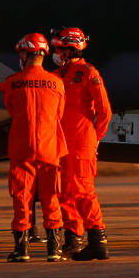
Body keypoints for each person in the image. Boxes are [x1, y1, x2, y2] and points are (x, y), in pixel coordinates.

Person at [0, 33, 67, 262]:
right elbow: (60, 113)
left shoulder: (12, 83)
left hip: (22, 148)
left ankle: (22, 250)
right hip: (50, 149)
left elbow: (11, 110)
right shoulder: (57, 82)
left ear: (26, 53)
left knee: (21, 198)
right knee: (51, 199)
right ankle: (54, 250)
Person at [50, 27, 113, 261]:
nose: (56, 52)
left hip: (82, 142)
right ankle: (73, 239)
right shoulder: (56, 75)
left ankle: (98, 239)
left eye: (59, 48)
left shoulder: (88, 72)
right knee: (64, 192)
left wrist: (95, 138)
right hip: (61, 143)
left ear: (69, 48)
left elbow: (105, 111)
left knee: (83, 190)